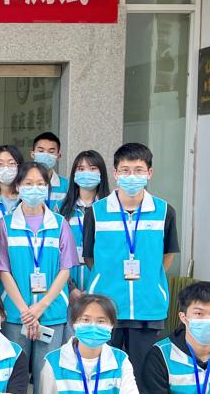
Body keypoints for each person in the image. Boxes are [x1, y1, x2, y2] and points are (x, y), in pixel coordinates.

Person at [82, 142, 179, 379]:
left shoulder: (164, 211)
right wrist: (107, 278)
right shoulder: (96, 212)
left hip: (148, 307)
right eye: (125, 170)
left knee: (145, 375)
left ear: (149, 173)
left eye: (138, 170)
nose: (131, 176)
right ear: (115, 173)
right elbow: (89, 257)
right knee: (103, 373)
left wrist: (150, 278)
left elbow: (168, 255)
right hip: (105, 307)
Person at [0, 162, 77, 394]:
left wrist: (40, 307)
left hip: (51, 314)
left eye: (41, 184)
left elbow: (65, 269)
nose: (35, 189)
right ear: (18, 187)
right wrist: (25, 311)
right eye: (29, 183)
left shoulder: (60, 224)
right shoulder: (5, 225)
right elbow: (3, 270)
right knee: (14, 374)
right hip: (16, 314)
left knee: (46, 377)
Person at [57, 150, 110, 295]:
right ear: (74, 174)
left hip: (102, 283)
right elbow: (55, 253)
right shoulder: (60, 208)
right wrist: (71, 289)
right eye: (81, 169)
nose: (86, 173)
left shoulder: (110, 208)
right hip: (67, 284)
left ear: (101, 173)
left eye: (92, 169)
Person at [30, 131, 69, 211]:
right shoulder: (23, 182)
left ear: (58, 156)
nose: (46, 155)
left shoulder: (67, 185)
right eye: (41, 151)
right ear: (32, 154)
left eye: (51, 152)